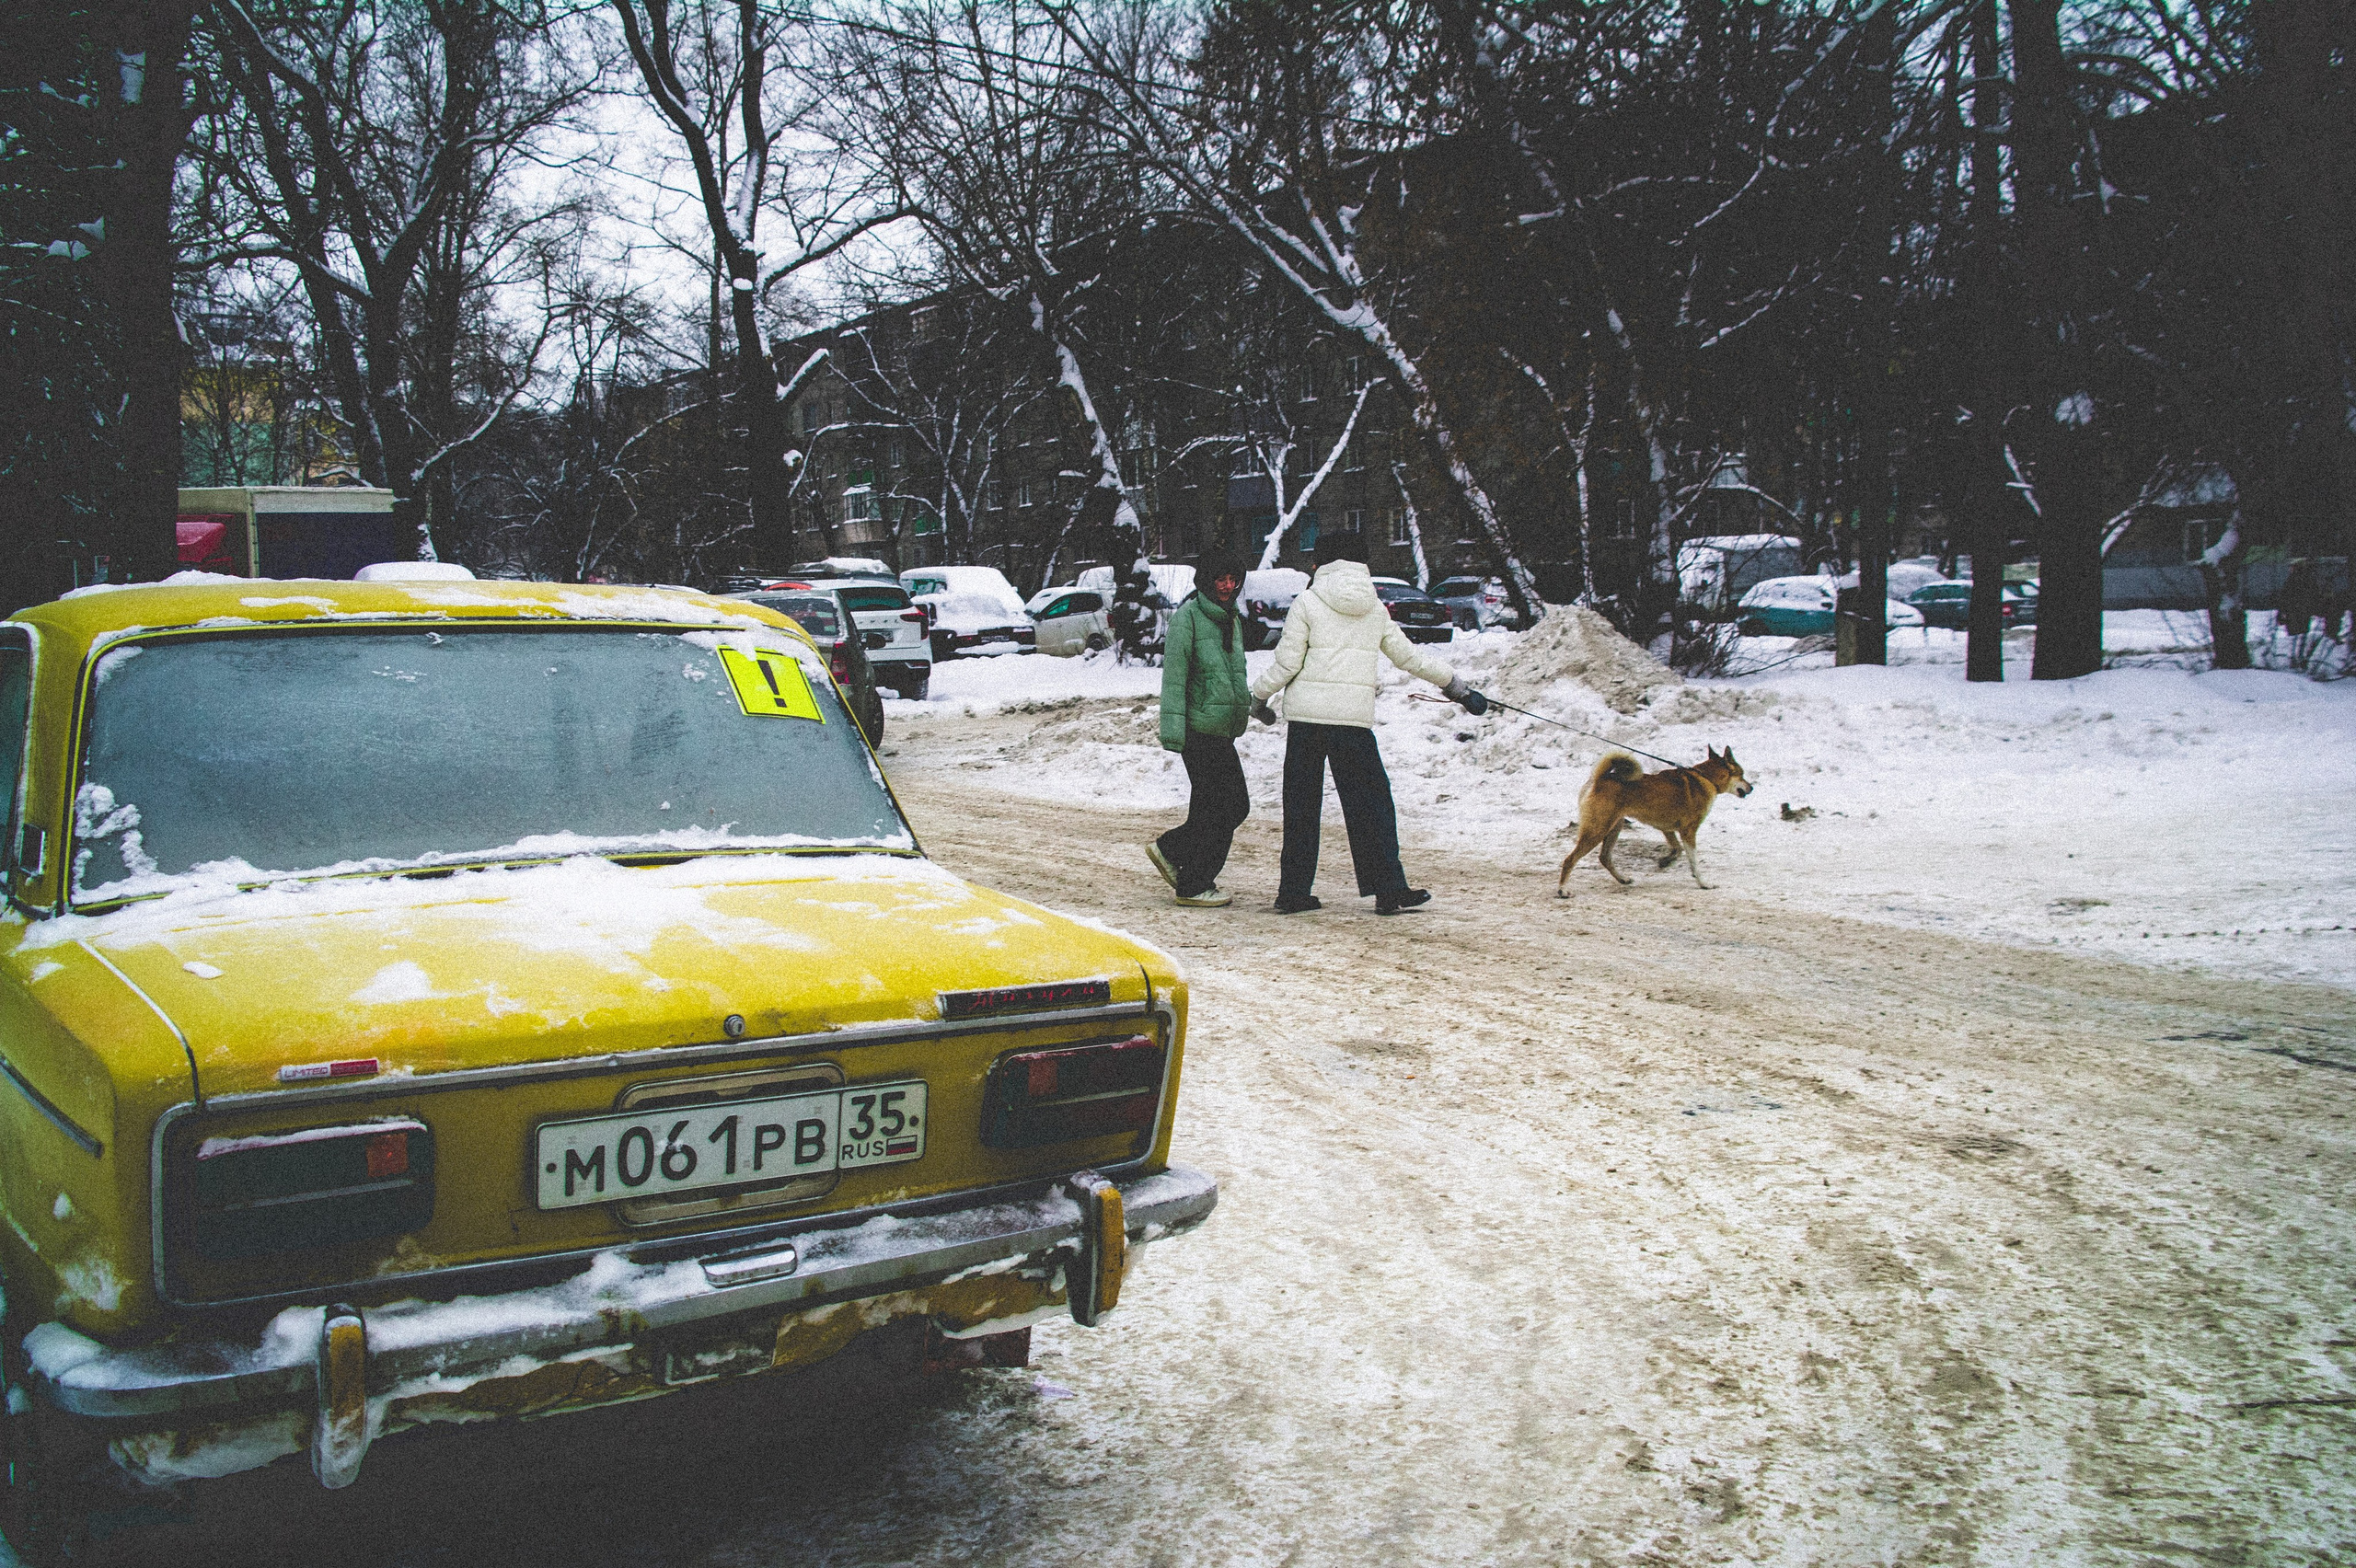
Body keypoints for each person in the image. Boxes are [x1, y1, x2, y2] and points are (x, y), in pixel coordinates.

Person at [1251, 532, 1486, 915]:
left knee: (1302, 806)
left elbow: (1287, 664)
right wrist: (1458, 689)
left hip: (1307, 721)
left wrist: (1258, 698)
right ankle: (1389, 888)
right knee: (1372, 804)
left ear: (1322, 564)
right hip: (1351, 723)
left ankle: (1293, 892)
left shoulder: (1308, 602)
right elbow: (1410, 657)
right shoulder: (1374, 608)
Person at [1147, 551, 1252, 907]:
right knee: (1229, 806)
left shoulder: (1231, 619)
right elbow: (1174, 679)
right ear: (1206, 581)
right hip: (1198, 730)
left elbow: (1232, 676)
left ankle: (1178, 856)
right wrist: (1173, 731)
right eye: (1220, 579)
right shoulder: (1187, 618)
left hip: (1221, 728)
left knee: (1213, 808)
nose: (1227, 586)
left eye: (1233, 579)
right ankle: (1192, 879)